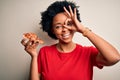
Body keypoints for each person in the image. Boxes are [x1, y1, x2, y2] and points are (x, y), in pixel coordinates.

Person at [21, 0, 120, 80]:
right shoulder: (44, 52)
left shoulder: (87, 53)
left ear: (76, 25)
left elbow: (115, 58)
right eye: (58, 26)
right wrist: (34, 56)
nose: (64, 29)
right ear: (52, 30)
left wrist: (84, 30)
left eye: (69, 24)